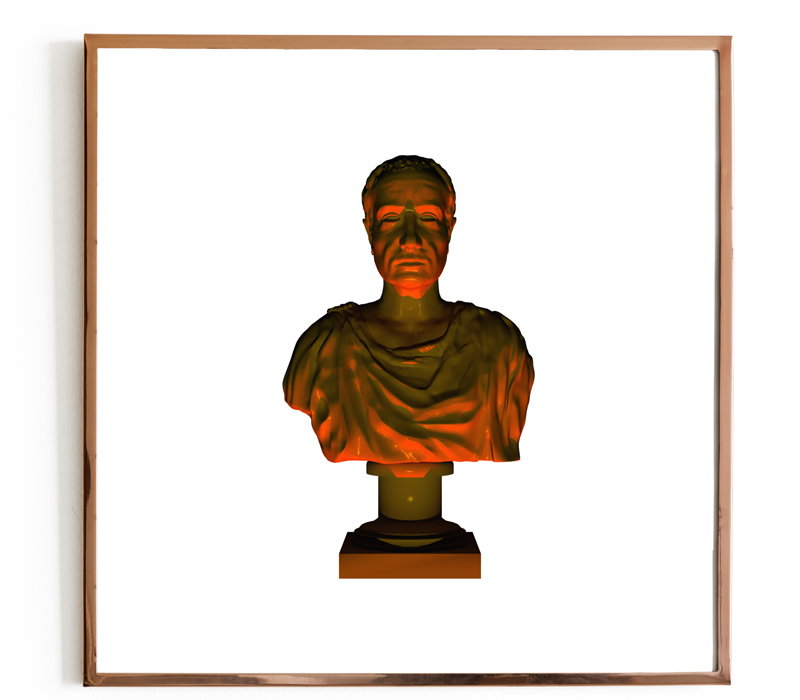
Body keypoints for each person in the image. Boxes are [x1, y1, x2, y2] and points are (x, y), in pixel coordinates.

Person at [283, 155, 534, 465]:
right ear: (370, 231)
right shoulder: (326, 346)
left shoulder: (498, 348)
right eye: (390, 219)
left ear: (449, 229)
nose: (410, 240)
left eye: (428, 218)